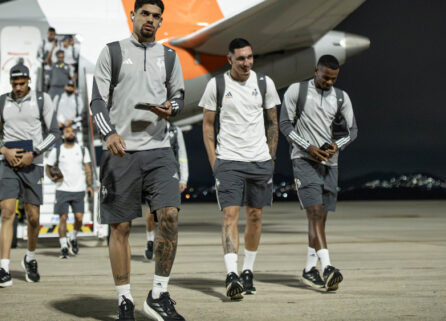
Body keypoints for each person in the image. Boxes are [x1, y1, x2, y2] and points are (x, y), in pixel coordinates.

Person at [89, 0, 185, 320]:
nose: (150, 20)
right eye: (145, 13)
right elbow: (97, 100)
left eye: (156, 16)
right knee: (120, 227)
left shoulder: (170, 57)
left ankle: (158, 293)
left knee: (169, 215)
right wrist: (109, 134)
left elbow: (179, 97)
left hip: (159, 149)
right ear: (133, 16)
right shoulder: (113, 52)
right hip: (121, 151)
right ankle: (124, 299)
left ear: (160, 22)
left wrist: (171, 107)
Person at [200, 38, 280, 300]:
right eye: (241, 58)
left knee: (255, 216)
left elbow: (272, 123)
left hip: (259, 160)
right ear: (229, 59)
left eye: (250, 57)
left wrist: (271, 157)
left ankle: (248, 271)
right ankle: (231, 274)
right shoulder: (217, 85)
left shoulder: (264, 83)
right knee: (229, 216)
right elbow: (208, 125)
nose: (246, 63)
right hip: (229, 160)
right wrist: (215, 162)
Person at [279, 54, 358, 291]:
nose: (329, 83)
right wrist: (308, 147)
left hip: (330, 164)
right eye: (325, 78)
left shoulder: (341, 97)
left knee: (320, 218)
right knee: (314, 213)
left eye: (333, 79)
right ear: (316, 71)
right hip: (303, 160)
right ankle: (328, 267)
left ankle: (309, 269)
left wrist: (337, 146)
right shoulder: (297, 91)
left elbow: (352, 131)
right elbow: (285, 124)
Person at [0, 64, 58, 288]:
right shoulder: (1, 102)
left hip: (32, 164)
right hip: (7, 164)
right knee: (7, 212)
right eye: (14, 84)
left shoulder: (42, 100)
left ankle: (30, 257)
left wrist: (33, 153)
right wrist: (4, 150)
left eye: (21, 84)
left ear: (28, 81)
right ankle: (4, 269)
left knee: (33, 217)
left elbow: (54, 133)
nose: (18, 88)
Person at [45, 125, 94, 258]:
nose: (71, 133)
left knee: (79, 218)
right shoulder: (57, 151)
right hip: (62, 190)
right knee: (63, 218)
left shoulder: (82, 150)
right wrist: (52, 178)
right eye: (68, 132)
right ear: (62, 136)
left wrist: (90, 185)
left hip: (78, 189)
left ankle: (72, 237)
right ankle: (63, 247)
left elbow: (88, 168)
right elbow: (48, 167)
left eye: (72, 131)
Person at [144, 123, 188, 260]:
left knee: (168, 212)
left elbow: (182, 155)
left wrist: (184, 179)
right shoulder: (148, 128)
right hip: (151, 173)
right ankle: (150, 240)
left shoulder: (175, 131)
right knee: (151, 212)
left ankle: (162, 244)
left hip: (170, 174)